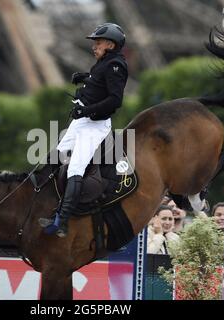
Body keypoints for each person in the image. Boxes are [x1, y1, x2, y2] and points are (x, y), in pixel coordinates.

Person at [39, 23, 128, 237]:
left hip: (95, 126)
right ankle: (44, 203)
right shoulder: (103, 63)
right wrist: (85, 78)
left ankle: (63, 221)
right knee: (55, 158)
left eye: (97, 43)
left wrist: (87, 110)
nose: (94, 46)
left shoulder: (116, 65)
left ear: (110, 44)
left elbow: (115, 101)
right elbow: (98, 84)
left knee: (75, 169)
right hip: (82, 120)